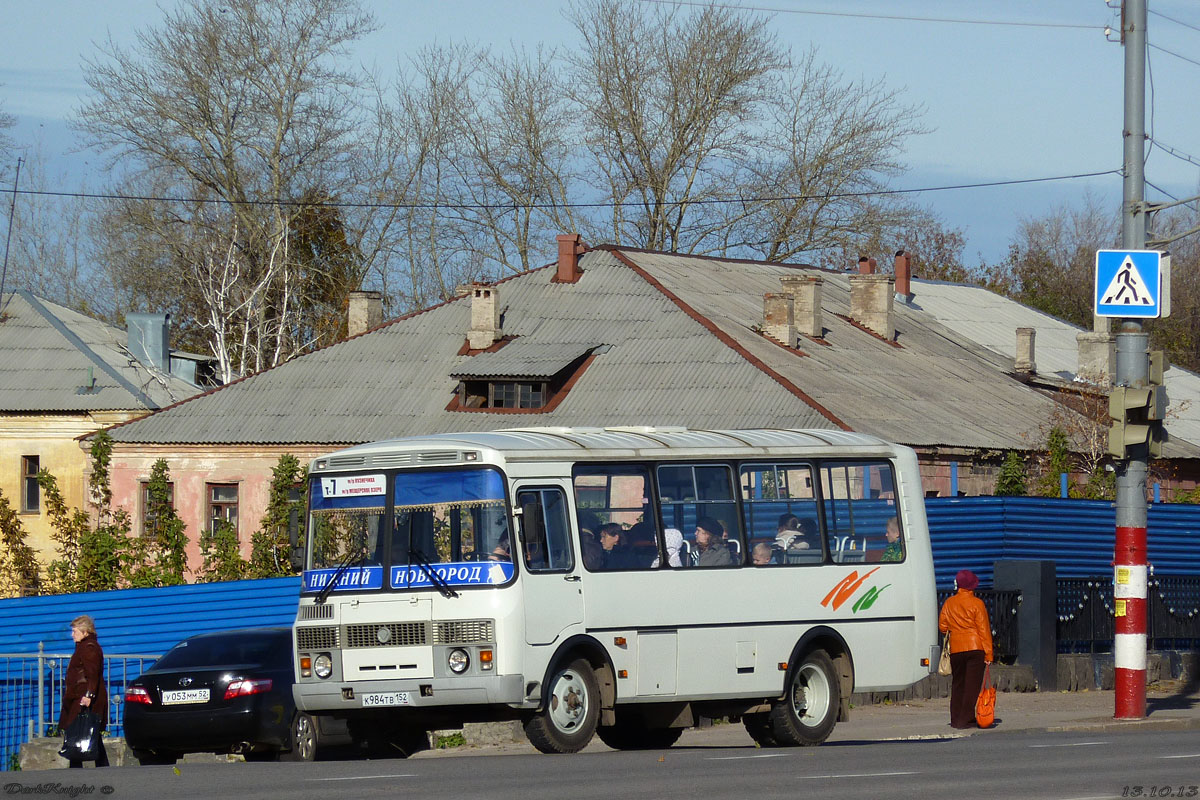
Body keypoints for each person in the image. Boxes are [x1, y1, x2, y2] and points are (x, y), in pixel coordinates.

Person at [938, 570, 993, 729]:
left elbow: (943, 626)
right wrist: (989, 653)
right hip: (976, 648)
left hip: (956, 648)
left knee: (958, 684)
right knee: (972, 686)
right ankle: (966, 719)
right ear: (972, 586)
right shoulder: (977, 604)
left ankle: (955, 719)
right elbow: (984, 630)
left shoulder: (949, 603)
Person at [60, 615, 109, 768]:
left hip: (83, 697)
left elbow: (92, 674)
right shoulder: (83, 646)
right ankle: (101, 766)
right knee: (87, 730)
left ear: (85, 632)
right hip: (78, 696)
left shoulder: (89, 648)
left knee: (78, 729)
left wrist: (89, 695)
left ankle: (77, 767)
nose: (72, 634)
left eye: (75, 631)